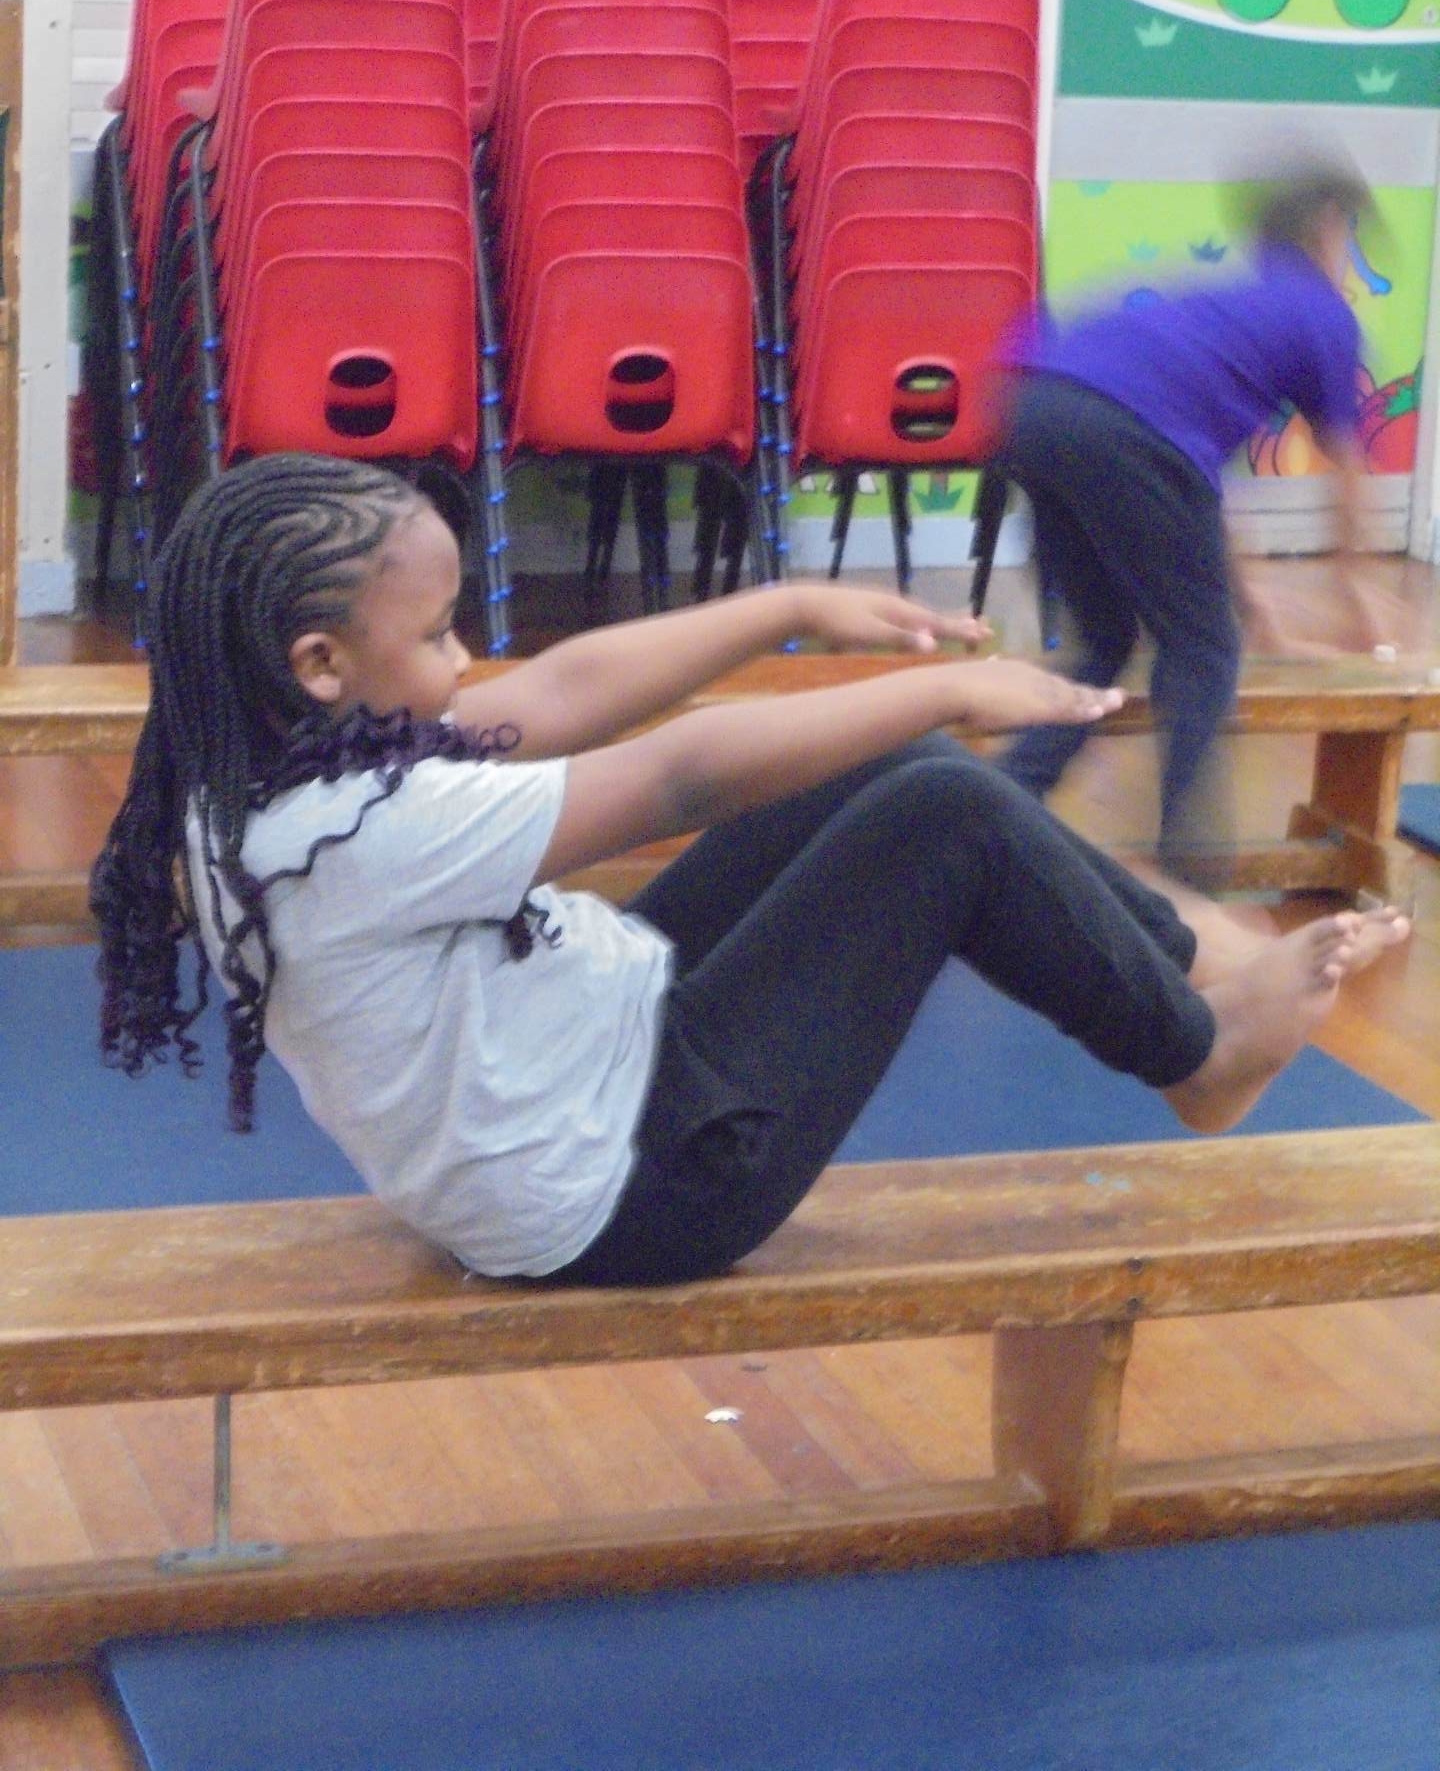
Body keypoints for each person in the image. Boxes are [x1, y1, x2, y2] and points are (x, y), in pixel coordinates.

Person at [91, 454, 1408, 1288]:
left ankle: (1196, 981)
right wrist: (946, 689)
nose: (466, 657)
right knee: (945, 804)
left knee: (888, 773)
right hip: (639, 1189)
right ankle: (1197, 1052)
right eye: (437, 634)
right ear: (320, 664)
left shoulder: (268, 767)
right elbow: (680, 777)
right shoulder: (360, 831)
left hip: (595, 1063)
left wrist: (788, 607)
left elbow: (564, 689)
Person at [992, 160, 1383, 883]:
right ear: (1327, 229)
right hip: (1126, 430)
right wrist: (1355, 594)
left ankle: (1000, 805)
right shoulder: (1321, 312)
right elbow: (1347, 470)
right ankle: (1188, 874)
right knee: (1202, 652)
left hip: (1034, 404)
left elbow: (1193, 493)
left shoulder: (1227, 305)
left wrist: (1252, 601)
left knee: (1105, 640)